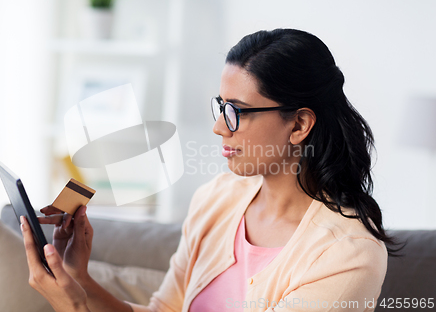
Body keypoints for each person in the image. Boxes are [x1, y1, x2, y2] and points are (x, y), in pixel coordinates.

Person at [20, 28, 401, 312]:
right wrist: (79, 280)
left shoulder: (348, 255)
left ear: (299, 124)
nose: (219, 126)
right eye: (221, 106)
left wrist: (73, 307)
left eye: (236, 111)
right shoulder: (218, 198)